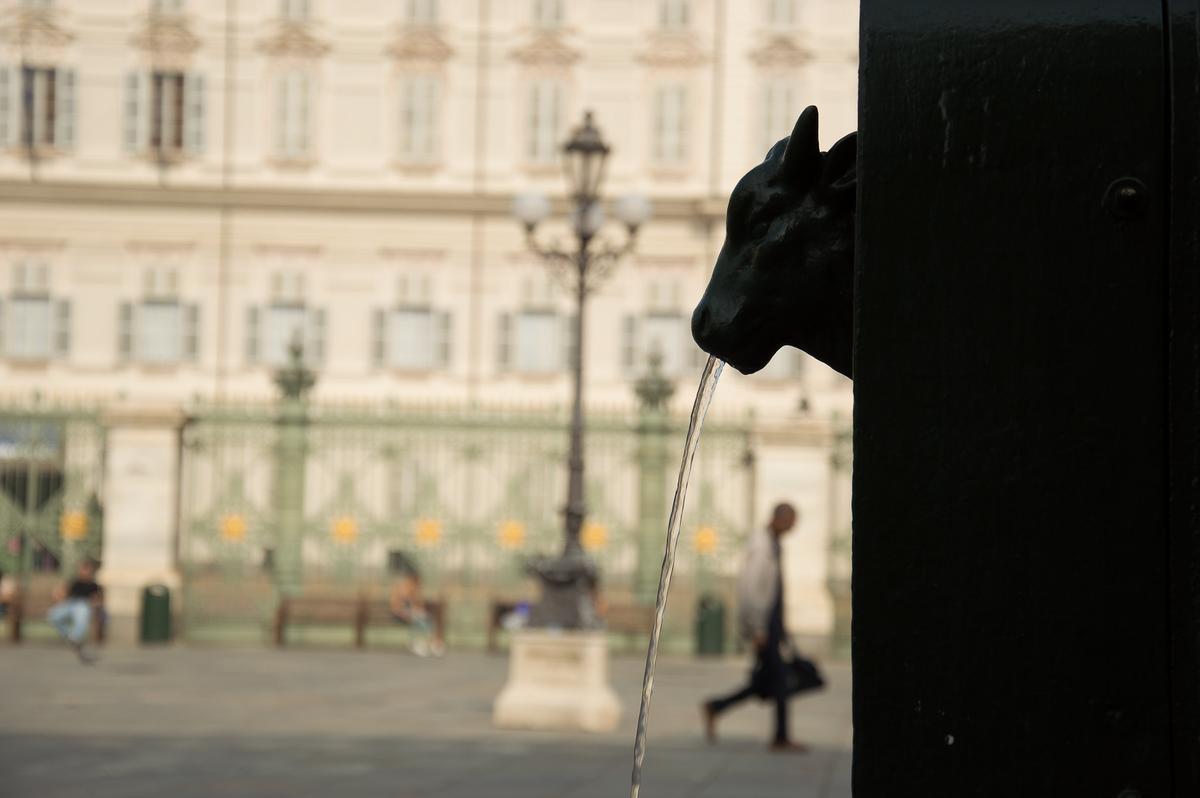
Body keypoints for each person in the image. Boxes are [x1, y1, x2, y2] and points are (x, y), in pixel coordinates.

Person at [702, 502, 807, 752]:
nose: (792, 528)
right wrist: (758, 628)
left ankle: (717, 706)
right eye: (791, 523)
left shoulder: (773, 544)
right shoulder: (761, 547)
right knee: (779, 680)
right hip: (765, 625)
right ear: (780, 519)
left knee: (767, 680)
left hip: (773, 624)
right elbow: (749, 589)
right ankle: (780, 738)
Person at [47, 558, 102, 665]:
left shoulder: (93, 585)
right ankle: (71, 638)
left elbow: (97, 600)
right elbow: (62, 592)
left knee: (82, 612)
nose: (84, 572)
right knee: (53, 615)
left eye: (87, 570)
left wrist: (95, 603)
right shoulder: (74, 582)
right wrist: (58, 596)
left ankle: (75, 637)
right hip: (70, 604)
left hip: (83, 604)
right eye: (83, 569)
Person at [388, 555, 444, 657]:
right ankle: (420, 644)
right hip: (399, 614)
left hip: (410, 614)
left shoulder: (414, 589)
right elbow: (397, 606)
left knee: (425, 620)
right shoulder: (403, 588)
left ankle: (429, 643)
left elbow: (418, 605)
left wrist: (418, 611)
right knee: (419, 620)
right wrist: (408, 611)